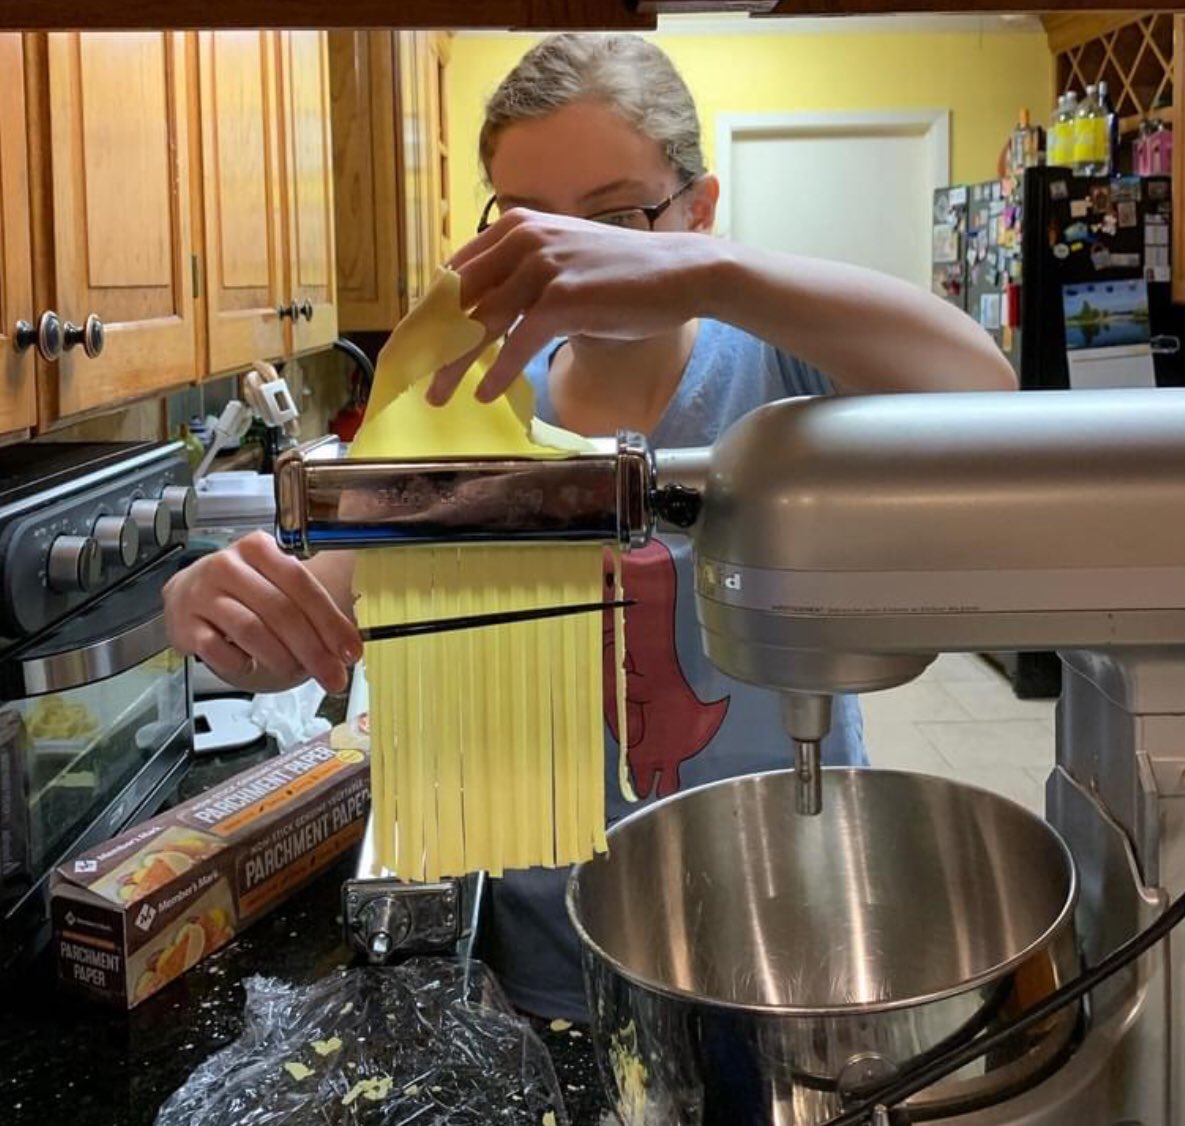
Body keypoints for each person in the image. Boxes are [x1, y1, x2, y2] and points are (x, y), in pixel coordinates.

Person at [164, 33, 1016, 1021]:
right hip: (554, 938)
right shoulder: (467, 398)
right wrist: (226, 610)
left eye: (614, 217)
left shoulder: (782, 371)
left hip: (784, 924)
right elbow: (316, 613)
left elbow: (985, 395)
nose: (569, 260)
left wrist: (712, 276)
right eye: (528, 223)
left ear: (697, 210)